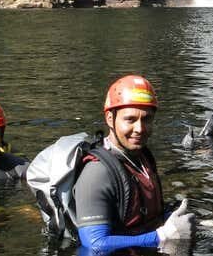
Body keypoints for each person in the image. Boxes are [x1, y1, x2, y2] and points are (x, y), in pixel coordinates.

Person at [72, 75, 195, 252]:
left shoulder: (143, 157)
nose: (140, 128)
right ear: (109, 118)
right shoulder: (97, 173)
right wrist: (162, 236)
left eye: (146, 119)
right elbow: (94, 245)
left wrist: (174, 219)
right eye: (130, 119)